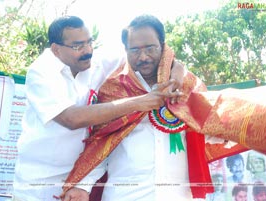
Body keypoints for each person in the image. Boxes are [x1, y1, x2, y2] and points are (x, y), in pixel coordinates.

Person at [12, 15, 180, 201]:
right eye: (78, 46)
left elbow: (157, 54)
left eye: (89, 42)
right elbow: (72, 119)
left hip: (82, 176)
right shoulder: (41, 72)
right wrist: (139, 102)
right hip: (39, 180)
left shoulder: (95, 62)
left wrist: (178, 73)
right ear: (56, 49)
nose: (88, 51)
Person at [61, 14, 213, 201]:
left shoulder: (188, 86)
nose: (143, 57)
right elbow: (102, 144)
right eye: (135, 50)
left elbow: (213, 129)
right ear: (125, 50)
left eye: (150, 48)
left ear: (163, 45)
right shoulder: (112, 89)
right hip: (125, 195)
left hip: (180, 195)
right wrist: (83, 186)